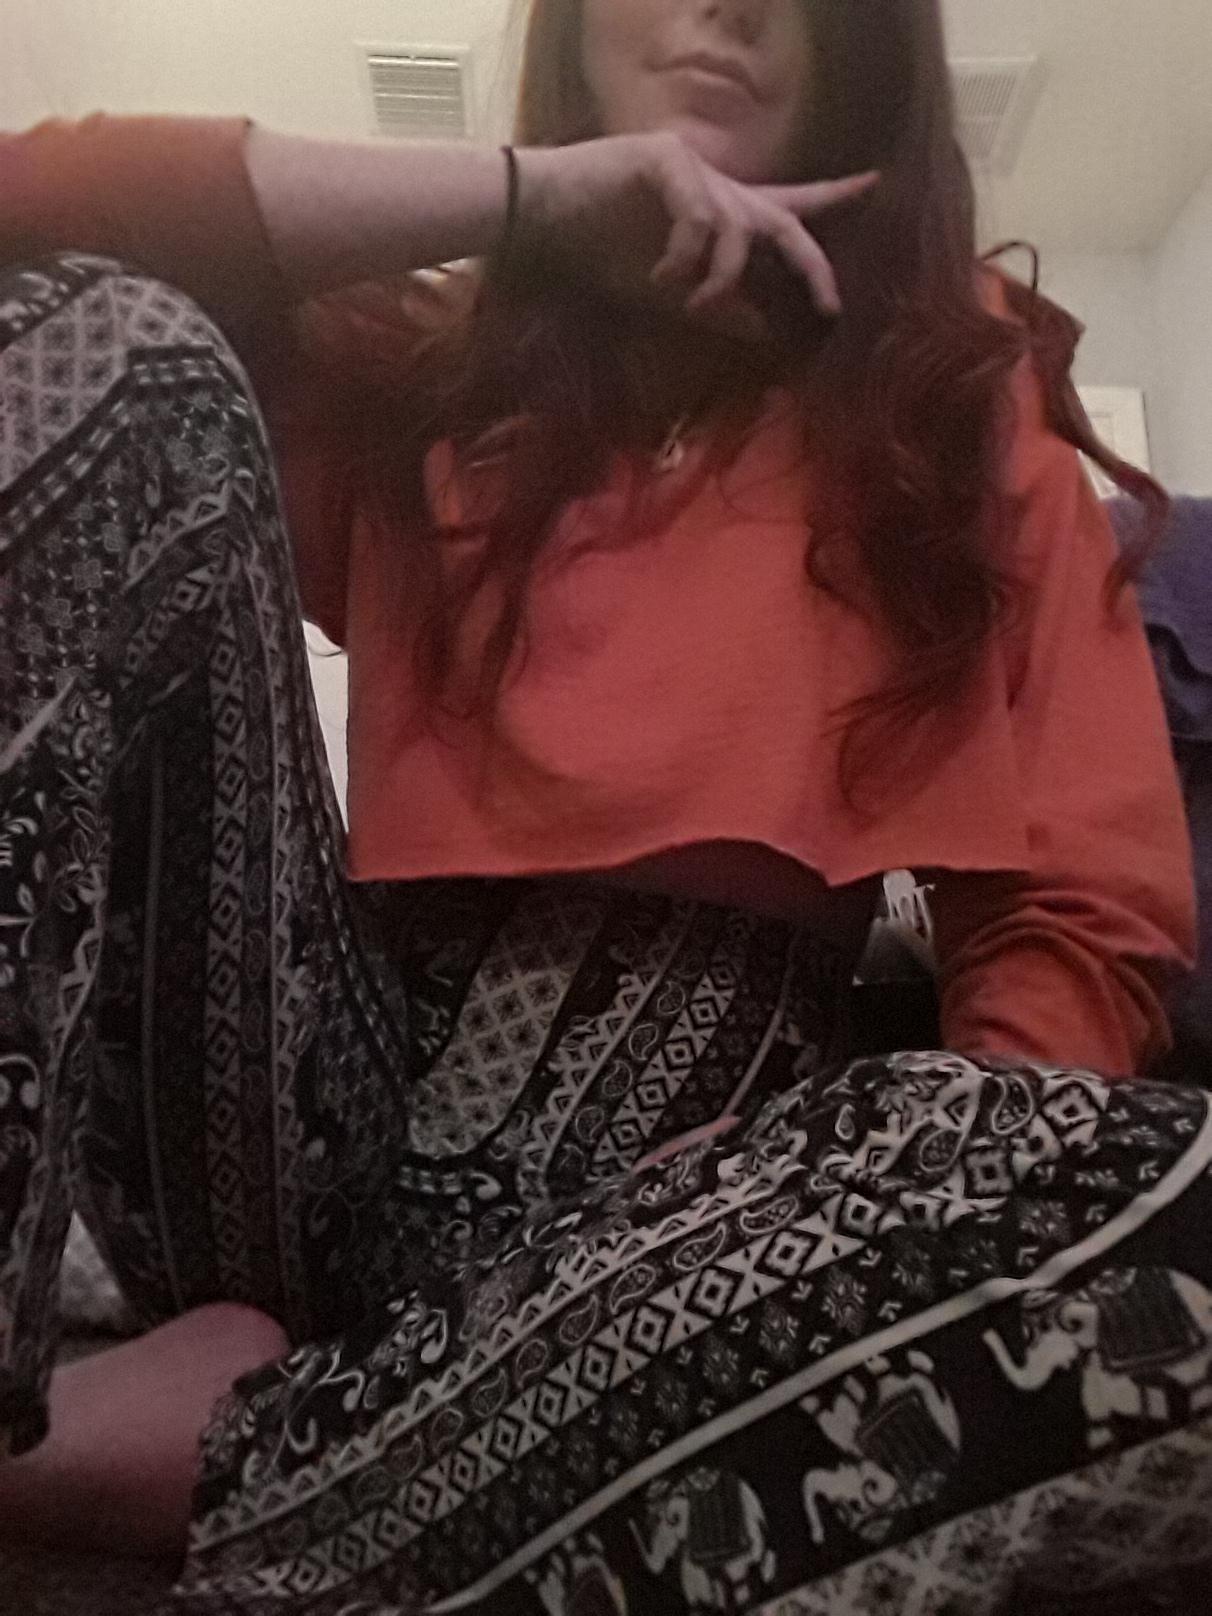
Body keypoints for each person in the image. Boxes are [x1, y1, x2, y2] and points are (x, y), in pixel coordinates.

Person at [1, 1, 1209, 1610]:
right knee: (108, 348)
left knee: (1180, 1224)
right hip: (287, 1113)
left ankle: (227, 1444)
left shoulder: (957, 400)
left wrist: (908, 1207)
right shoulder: (435, 371)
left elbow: (1081, 908)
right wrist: (532, 197)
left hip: (689, 1214)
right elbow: (36, 215)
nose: (731, 5)